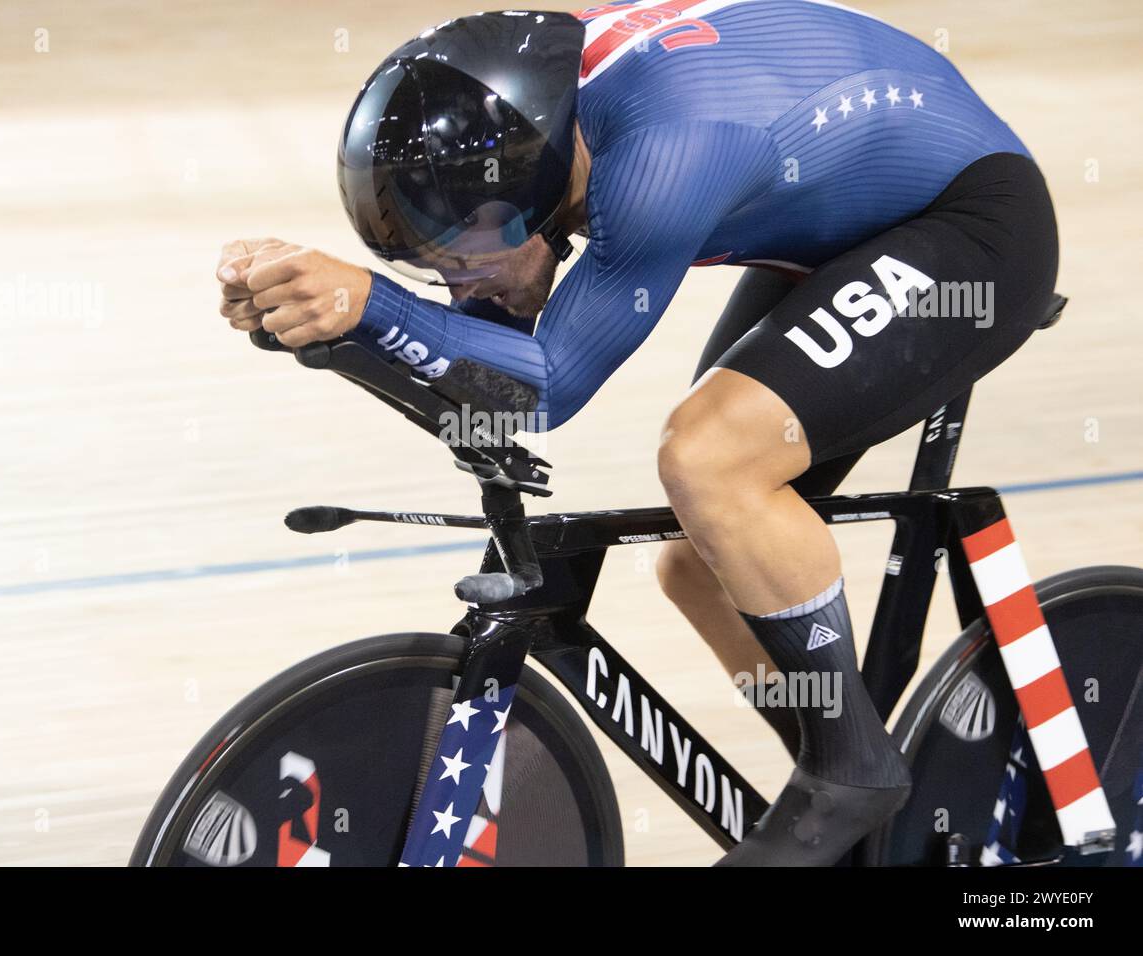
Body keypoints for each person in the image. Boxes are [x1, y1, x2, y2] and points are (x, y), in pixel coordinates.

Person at [215, 2, 1059, 865]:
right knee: (704, 558)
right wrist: (325, 319)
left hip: (971, 232)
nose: (463, 282)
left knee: (710, 460)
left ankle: (853, 772)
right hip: (848, 225)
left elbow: (541, 390)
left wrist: (368, 304)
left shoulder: (660, 159)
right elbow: (485, 363)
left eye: (474, 245)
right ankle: (850, 759)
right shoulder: (540, 108)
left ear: (542, 179)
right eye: (433, 263)